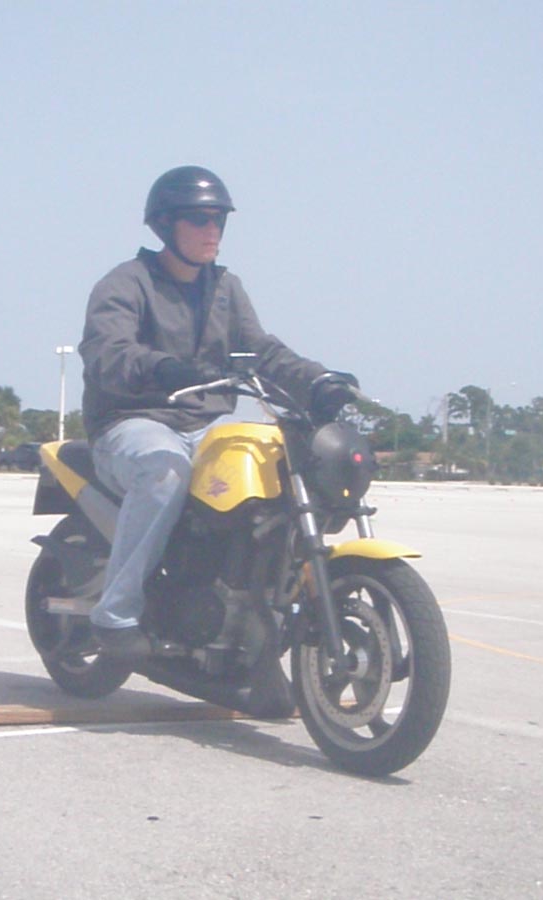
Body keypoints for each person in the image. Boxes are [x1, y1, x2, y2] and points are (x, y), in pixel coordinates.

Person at [79, 165, 359, 659]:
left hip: (206, 423)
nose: (213, 230)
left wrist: (317, 381)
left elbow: (263, 351)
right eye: (199, 219)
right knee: (165, 471)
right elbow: (108, 353)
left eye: (219, 220)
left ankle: (255, 604)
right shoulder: (126, 283)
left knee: (277, 464)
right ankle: (115, 614)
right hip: (133, 423)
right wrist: (160, 367)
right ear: (166, 224)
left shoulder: (226, 288)